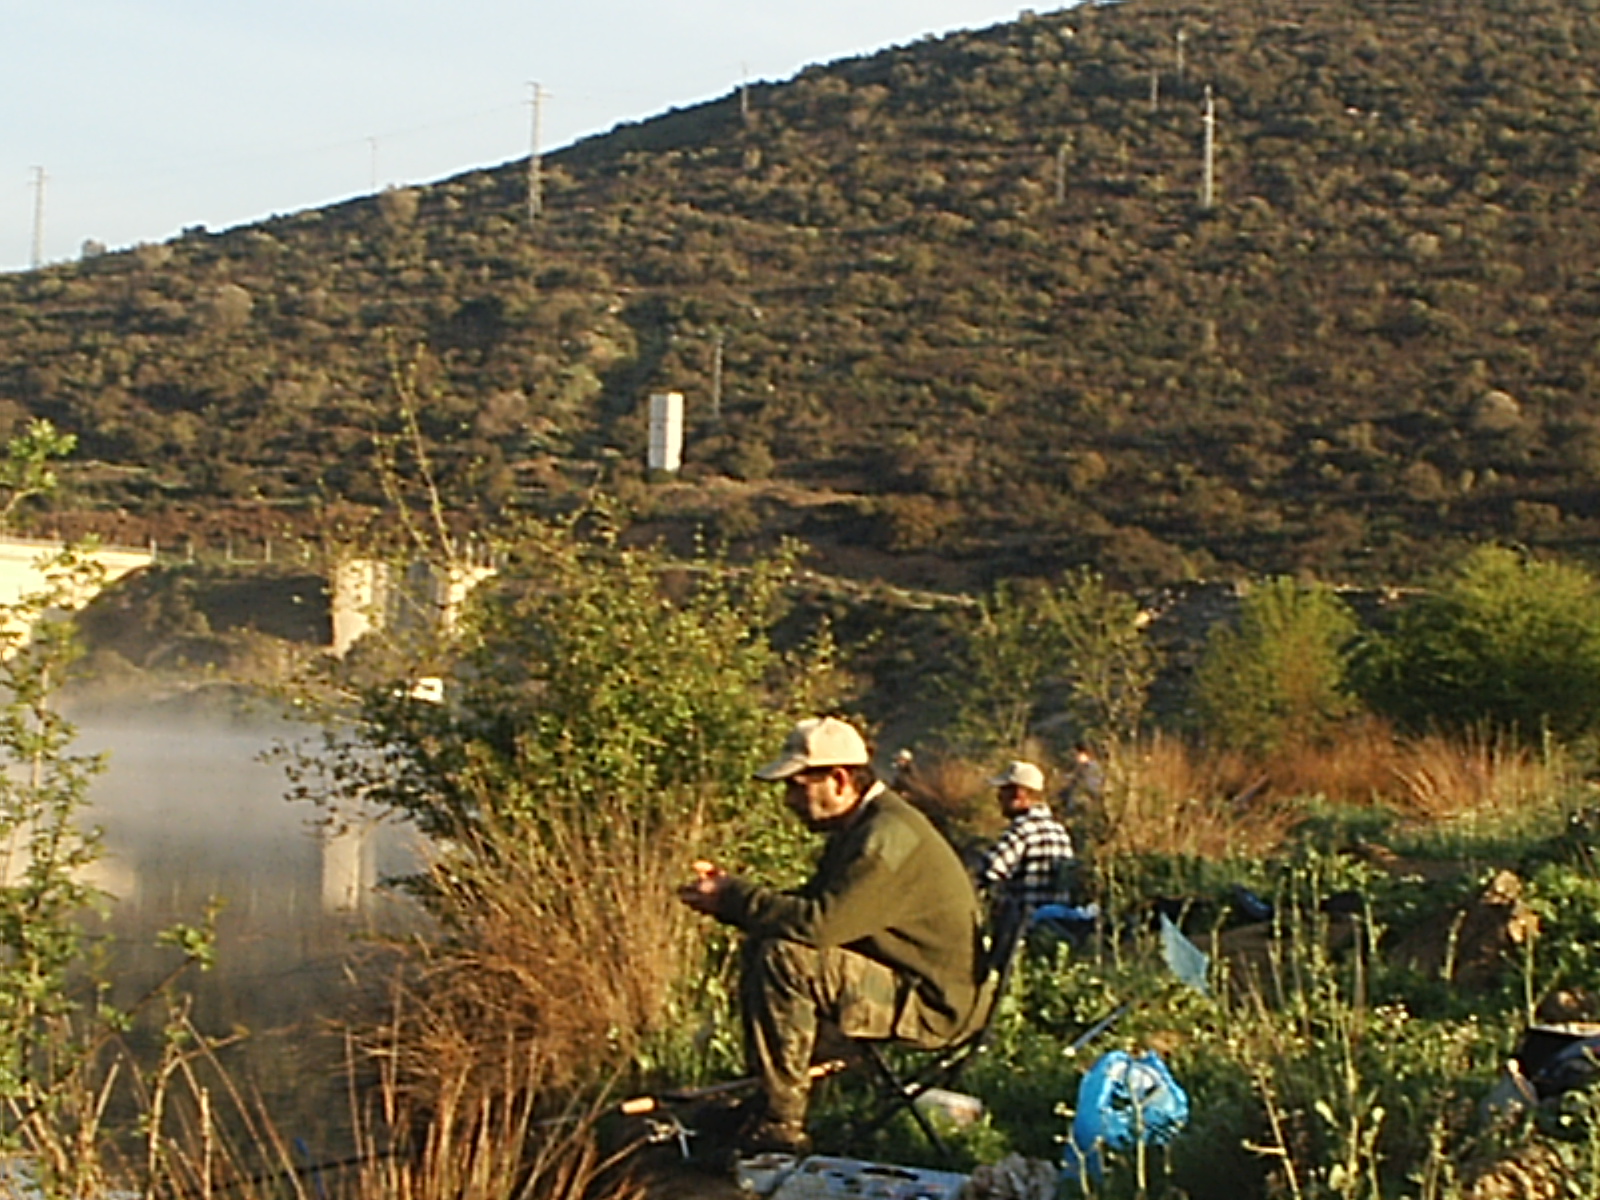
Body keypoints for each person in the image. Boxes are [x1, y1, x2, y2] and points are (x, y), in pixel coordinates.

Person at [679, 716, 989, 1156]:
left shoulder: (885, 838)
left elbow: (819, 925)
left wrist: (735, 899)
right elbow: (809, 909)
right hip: (920, 984)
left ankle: (780, 1126)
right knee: (769, 944)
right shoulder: (868, 827)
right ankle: (770, 1099)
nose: (788, 800)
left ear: (840, 780)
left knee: (782, 957)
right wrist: (734, 899)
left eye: (797, 786)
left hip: (934, 1005)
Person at [975, 760, 1076, 920]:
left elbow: (990, 870)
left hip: (1023, 926)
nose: (999, 797)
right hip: (1053, 928)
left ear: (1019, 794)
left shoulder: (1023, 829)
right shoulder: (1060, 831)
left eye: (1003, 790)